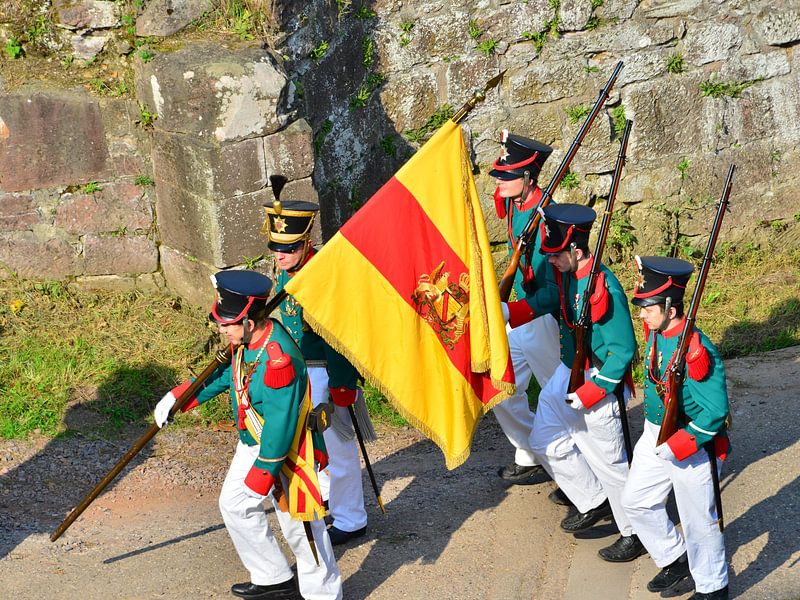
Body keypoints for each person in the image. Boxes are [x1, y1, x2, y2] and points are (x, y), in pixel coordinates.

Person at [153, 269, 342, 600]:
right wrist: (179, 398)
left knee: (300, 526)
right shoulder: (247, 341)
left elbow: (281, 424)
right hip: (255, 439)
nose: (222, 328)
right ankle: (273, 577)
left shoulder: (278, 360)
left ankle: (324, 593)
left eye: (227, 323)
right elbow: (229, 375)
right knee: (235, 504)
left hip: (287, 450)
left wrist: (264, 472)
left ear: (250, 323)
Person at [525, 203, 644, 562]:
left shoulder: (606, 288)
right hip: (569, 369)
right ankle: (593, 499)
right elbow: (556, 305)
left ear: (576, 251)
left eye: (557, 255)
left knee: (610, 462)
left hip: (598, 380)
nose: (552, 262)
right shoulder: (566, 273)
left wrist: (592, 391)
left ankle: (634, 532)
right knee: (543, 437)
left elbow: (623, 351)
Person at [262, 198, 370, 546]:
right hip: (300, 370)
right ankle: (325, 497)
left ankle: (352, 518)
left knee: (339, 448)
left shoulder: (324, 274)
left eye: (288, 248)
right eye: (276, 248)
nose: (279, 255)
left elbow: (340, 335)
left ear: (306, 242)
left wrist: (342, 386)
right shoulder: (287, 267)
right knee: (309, 445)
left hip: (327, 370)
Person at [622, 256, 730, 600]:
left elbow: (716, 412)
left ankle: (713, 587)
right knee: (635, 501)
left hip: (692, 441)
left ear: (670, 308)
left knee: (698, 520)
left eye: (648, 307)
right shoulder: (659, 332)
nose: (641, 313)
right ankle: (674, 557)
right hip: (657, 432)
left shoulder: (697, 350)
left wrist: (683, 443)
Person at [489, 130, 562, 486]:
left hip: (541, 319)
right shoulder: (517, 208)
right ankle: (533, 451)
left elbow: (552, 292)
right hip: (520, 314)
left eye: (507, 175)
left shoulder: (545, 222)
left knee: (560, 397)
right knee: (499, 386)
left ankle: (583, 474)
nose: (500, 180)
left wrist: (508, 313)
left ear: (528, 179)